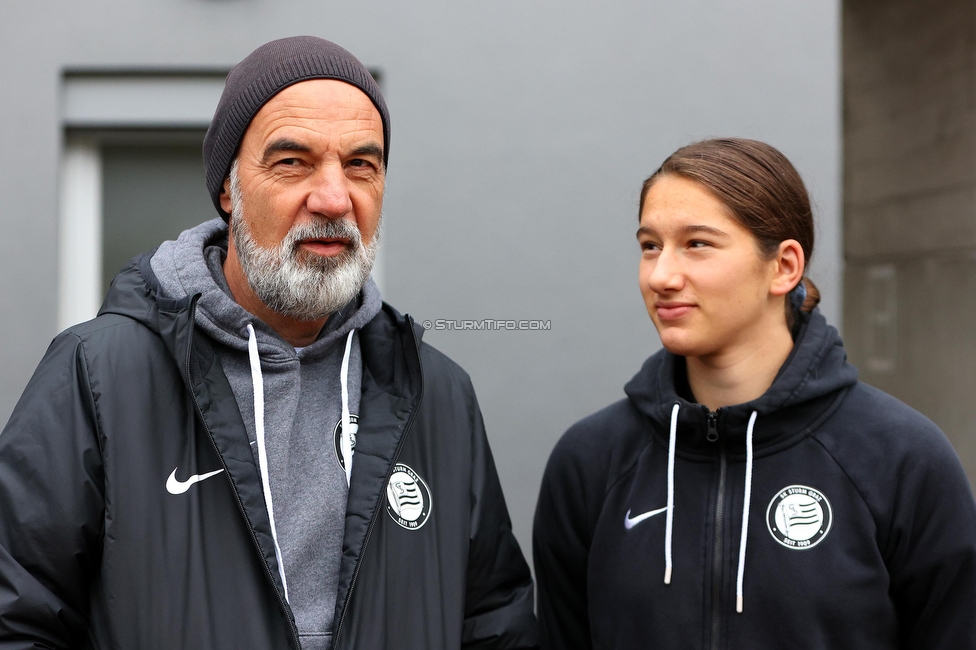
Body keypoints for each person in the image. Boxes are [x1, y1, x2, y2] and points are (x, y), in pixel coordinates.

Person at [0, 36, 538, 650]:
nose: (334, 198)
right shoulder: (99, 376)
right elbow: (18, 618)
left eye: (362, 164)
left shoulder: (436, 394)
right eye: (293, 162)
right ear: (228, 191)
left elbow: (496, 624)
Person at [533, 138, 976, 649]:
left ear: (784, 267)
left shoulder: (901, 458)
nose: (661, 275)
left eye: (697, 244)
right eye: (650, 245)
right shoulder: (591, 461)